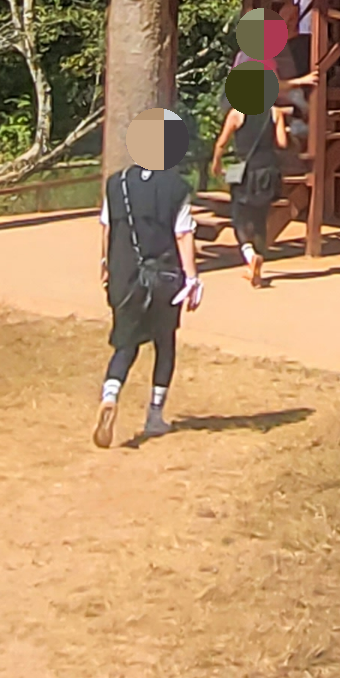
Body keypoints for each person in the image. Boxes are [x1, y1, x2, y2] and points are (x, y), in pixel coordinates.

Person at [95, 111, 201, 447]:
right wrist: (193, 279)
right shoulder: (176, 186)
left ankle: (110, 393)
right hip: (163, 275)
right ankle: (155, 415)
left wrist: (105, 263)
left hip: (124, 274)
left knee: (126, 341)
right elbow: (183, 234)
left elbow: (107, 227)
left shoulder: (116, 183)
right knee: (164, 341)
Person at [207, 66, 296, 287]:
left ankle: (249, 255)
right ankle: (257, 261)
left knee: (239, 216)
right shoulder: (274, 111)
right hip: (268, 170)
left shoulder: (237, 113)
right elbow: (282, 143)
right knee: (260, 218)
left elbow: (221, 143)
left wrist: (216, 163)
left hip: (246, 172)